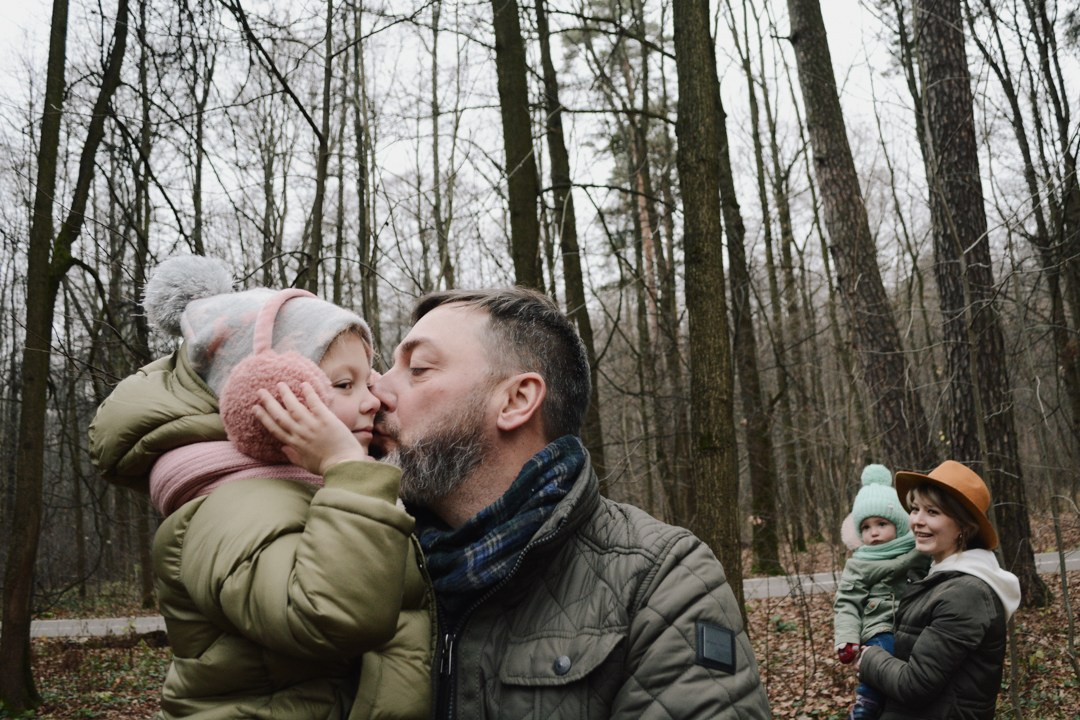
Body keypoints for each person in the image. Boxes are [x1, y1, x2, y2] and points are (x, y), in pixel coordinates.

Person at [367, 287, 771, 718]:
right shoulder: (361, 562)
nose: (376, 389)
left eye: (419, 368)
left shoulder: (660, 581)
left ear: (516, 400)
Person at [88, 255, 433, 720]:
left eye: (366, 380)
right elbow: (326, 617)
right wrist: (346, 467)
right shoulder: (229, 505)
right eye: (344, 384)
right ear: (261, 398)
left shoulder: (307, 488)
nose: (373, 400)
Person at [856, 460, 1021, 719]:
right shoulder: (935, 579)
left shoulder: (967, 593)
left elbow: (915, 685)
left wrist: (869, 659)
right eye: (915, 509)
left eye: (932, 512)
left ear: (964, 526)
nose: (917, 521)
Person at [833, 464, 930, 720]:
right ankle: (865, 705)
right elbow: (847, 603)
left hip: (915, 624)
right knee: (880, 653)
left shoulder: (918, 550)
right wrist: (847, 638)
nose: (873, 532)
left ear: (898, 524)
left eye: (881, 524)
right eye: (865, 527)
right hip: (879, 627)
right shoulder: (860, 563)